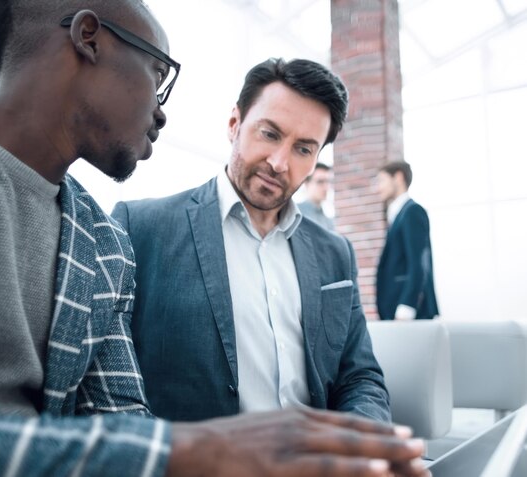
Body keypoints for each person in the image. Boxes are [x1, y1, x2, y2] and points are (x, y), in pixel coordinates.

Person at [0, 1, 431, 476]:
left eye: (304, 148)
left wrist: (359, 450)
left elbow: (118, 417)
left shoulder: (98, 239)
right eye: (159, 75)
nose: (161, 111)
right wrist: (197, 452)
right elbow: (134, 442)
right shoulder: (131, 227)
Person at [112, 58, 391, 426]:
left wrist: (362, 447)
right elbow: (108, 386)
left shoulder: (334, 253)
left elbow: (360, 378)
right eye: (270, 134)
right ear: (234, 124)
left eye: (303, 149)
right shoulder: (141, 228)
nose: (279, 162)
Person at [375, 161, 439, 321]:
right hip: (396, 309)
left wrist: (407, 305)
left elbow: (419, 262)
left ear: (398, 177)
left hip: (408, 312)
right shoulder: (398, 214)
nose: (378, 188)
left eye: (381, 181)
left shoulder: (412, 212)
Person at [298, 162, 336, 230]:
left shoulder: (328, 221)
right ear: (306, 183)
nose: (326, 187)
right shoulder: (295, 213)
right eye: (320, 182)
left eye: (328, 182)